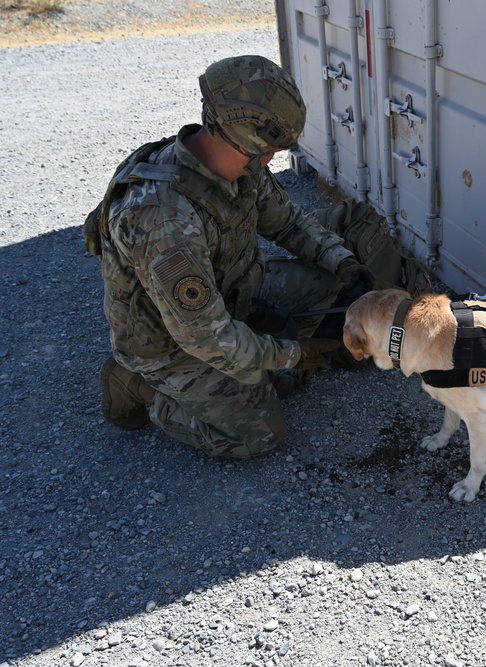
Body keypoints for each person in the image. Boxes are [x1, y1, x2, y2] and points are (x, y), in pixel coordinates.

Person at [87, 54, 373, 459]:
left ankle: (261, 349)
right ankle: (137, 385)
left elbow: (287, 222)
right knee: (258, 435)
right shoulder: (162, 218)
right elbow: (205, 335)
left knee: (332, 288)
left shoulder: (243, 164)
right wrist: (294, 355)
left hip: (230, 293)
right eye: (268, 147)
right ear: (235, 131)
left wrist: (342, 261)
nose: (272, 158)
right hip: (171, 343)